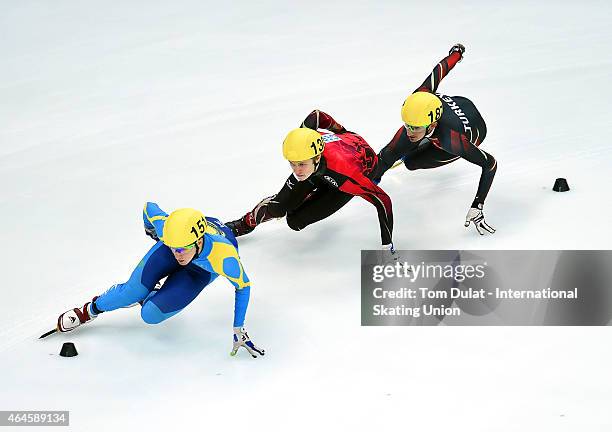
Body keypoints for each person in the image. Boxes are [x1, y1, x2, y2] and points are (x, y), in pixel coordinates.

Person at [55, 202, 264, 358]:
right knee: (132, 291)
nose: (177, 254)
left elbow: (243, 287)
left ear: (198, 241)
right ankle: (89, 310)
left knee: (150, 315)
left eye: (181, 249)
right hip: (180, 240)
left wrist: (238, 329)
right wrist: (153, 232)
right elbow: (149, 208)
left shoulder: (224, 257)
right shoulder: (170, 233)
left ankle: (153, 294)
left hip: (201, 271)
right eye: (173, 248)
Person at [225, 111, 395, 252]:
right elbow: (317, 115)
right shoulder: (303, 140)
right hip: (324, 163)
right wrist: (340, 130)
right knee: (278, 208)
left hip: (350, 171)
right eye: (292, 164)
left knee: (295, 221)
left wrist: (387, 246)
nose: (296, 170)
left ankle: (310, 194)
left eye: (301, 164)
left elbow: (383, 201)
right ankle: (245, 223)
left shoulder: (347, 174)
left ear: (317, 157)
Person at [373, 43, 497, 235]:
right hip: (458, 103)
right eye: (406, 124)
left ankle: (420, 146)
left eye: (414, 127)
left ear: (432, 125)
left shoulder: (452, 140)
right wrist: (456, 54)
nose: (408, 130)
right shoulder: (420, 96)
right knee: (388, 153)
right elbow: (439, 71)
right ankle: (417, 143)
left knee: (412, 162)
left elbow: (490, 164)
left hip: (475, 130)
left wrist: (477, 204)